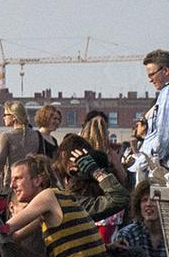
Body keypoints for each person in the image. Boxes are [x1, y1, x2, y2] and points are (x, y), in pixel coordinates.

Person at [53, 132, 131, 221]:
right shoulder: (51, 183)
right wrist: (96, 172)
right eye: (78, 158)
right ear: (64, 155)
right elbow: (119, 198)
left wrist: (94, 171)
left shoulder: (73, 191)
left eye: (85, 159)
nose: (80, 164)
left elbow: (120, 198)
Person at [131, 50, 169, 182]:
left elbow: (164, 133)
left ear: (165, 71)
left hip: (157, 168)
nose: (150, 80)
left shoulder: (167, 93)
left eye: (152, 74)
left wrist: (156, 161)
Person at [0, 100, 42, 184]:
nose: (3, 117)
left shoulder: (7, 136)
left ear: (14, 116)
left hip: (12, 182)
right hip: (32, 183)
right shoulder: (37, 135)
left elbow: (0, 163)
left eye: (5, 115)